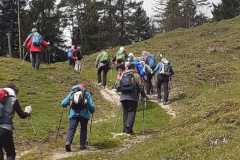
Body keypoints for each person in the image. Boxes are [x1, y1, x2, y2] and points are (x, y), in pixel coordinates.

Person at [0, 83, 32, 160]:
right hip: (5, 130)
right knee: (10, 153)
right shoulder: (13, 100)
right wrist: (27, 111)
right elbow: (22, 115)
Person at [61, 84, 95, 152]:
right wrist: (92, 110)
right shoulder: (86, 93)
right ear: (84, 88)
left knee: (71, 129)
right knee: (83, 129)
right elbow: (91, 107)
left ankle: (68, 142)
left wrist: (68, 104)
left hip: (73, 114)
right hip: (84, 115)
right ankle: (82, 145)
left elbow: (63, 103)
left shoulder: (73, 92)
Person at [117, 62, 146, 134]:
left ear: (128, 67)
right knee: (132, 112)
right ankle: (128, 128)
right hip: (132, 97)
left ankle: (125, 129)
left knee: (125, 112)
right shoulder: (136, 75)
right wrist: (144, 95)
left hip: (123, 97)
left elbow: (118, 86)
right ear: (134, 68)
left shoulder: (123, 74)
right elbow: (141, 86)